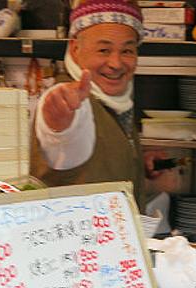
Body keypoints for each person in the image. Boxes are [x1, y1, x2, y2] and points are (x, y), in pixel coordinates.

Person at [30, 0, 166, 213]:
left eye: (127, 51)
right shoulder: (74, 102)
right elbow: (65, 136)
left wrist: (137, 161)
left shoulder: (115, 102)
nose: (116, 63)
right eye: (104, 50)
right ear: (75, 49)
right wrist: (58, 124)